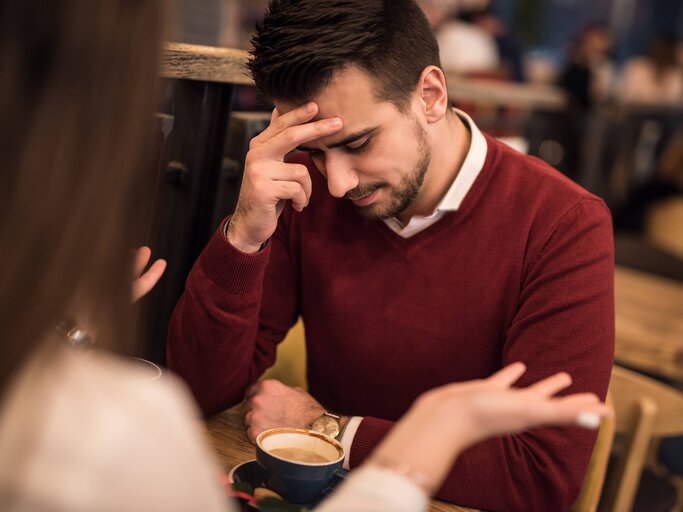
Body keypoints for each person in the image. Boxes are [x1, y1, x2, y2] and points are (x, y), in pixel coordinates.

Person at [0, 1, 611, 512]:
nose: (338, 184)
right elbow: (199, 390)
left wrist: (332, 429)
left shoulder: (564, 223)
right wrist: (244, 235)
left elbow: (541, 476)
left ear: (429, 93)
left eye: (357, 144)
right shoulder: (303, 189)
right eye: (316, 153)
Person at [617, 35, 683, 107]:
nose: (680, 55)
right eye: (679, 51)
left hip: (668, 117)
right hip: (637, 115)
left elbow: (675, 103)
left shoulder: (676, 75)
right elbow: (626, 99)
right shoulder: (638, 68)